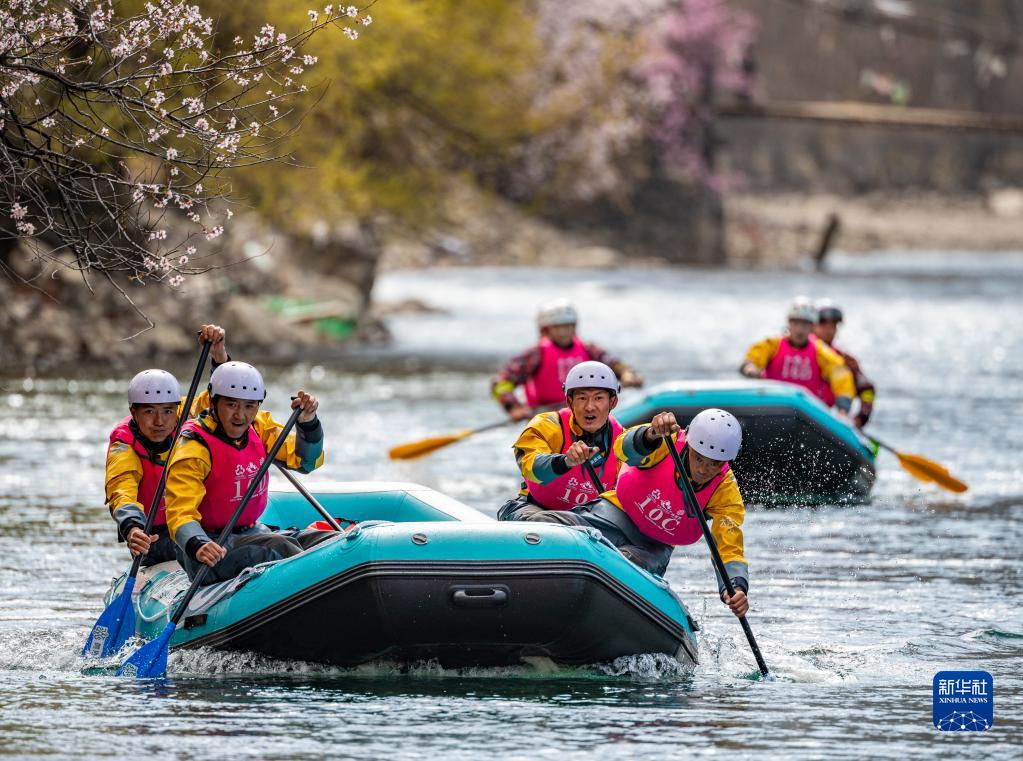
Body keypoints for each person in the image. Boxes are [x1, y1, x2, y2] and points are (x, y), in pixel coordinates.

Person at [501, 408, 750, 620]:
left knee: (619, 565)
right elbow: (622, 448)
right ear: (690, 444)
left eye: (714, 464)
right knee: (545, 526)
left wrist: (735, 586)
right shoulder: (666, 442)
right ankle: (515, 519)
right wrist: (651, 434)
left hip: (652, 547)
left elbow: (729, 546)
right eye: (699, 458)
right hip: (612, 515)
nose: (704, 470)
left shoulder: (725, 490)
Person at [165, 361, 334, 584]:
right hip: (211, 548)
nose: (240, 415)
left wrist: (308, 423)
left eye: (249, 406)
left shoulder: (258, 427)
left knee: (327, 541)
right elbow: (180, 512)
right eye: (231, 405)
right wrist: (198, 543)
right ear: (213, 402)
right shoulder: (194, 447)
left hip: (252, 533)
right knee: (281, 549)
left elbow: (306, 462)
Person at [104, 325, 228, 566]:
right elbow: (122, 491)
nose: (160, 421)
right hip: (154, 537)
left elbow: (221, 402)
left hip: (193, 525)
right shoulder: (124, 446)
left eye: (167, 411)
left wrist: (219, 355)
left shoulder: (184, 415)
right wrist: (132, 529)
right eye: (149, 411)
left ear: (176, 408)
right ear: (134, 412)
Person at [497, 361, 624, 520]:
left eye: (598, 398)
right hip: (535, 508)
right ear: (570, 402)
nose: (589, 407)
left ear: (613, 402)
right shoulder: (546, 425)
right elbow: (530, 466)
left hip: (588, 519)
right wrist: (565, 462)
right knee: (540, 520)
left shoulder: (622, 442)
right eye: (582, 398)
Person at [491, 298, 643, 421]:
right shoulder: (535, 354)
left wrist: (627, 374)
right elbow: (500, 383)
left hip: (586, 411)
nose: (563, 332)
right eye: (557, 327)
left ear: (574, 327)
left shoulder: (588, 349)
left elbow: (614, 364)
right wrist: (513, 407)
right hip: (548, 417)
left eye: (567, 326)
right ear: (545, 330)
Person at [740, 296, 855, 416]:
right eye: (796, 323)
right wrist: (751, 369)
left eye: (805, 324)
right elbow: (752, 359)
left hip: (807, 414)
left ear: (812, 327)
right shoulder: (772, 345)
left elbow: (841, 376)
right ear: (789, 323)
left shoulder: (821, 352)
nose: (800, 330)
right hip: (772, 407)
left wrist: (843, 407)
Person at [814, 300, 876, 428]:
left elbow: (867, 390)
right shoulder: (787, 349)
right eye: (823, 324)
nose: (828, 330)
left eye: (833, 325)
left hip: (827, 420)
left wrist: (859, 419)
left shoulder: (845, 360)